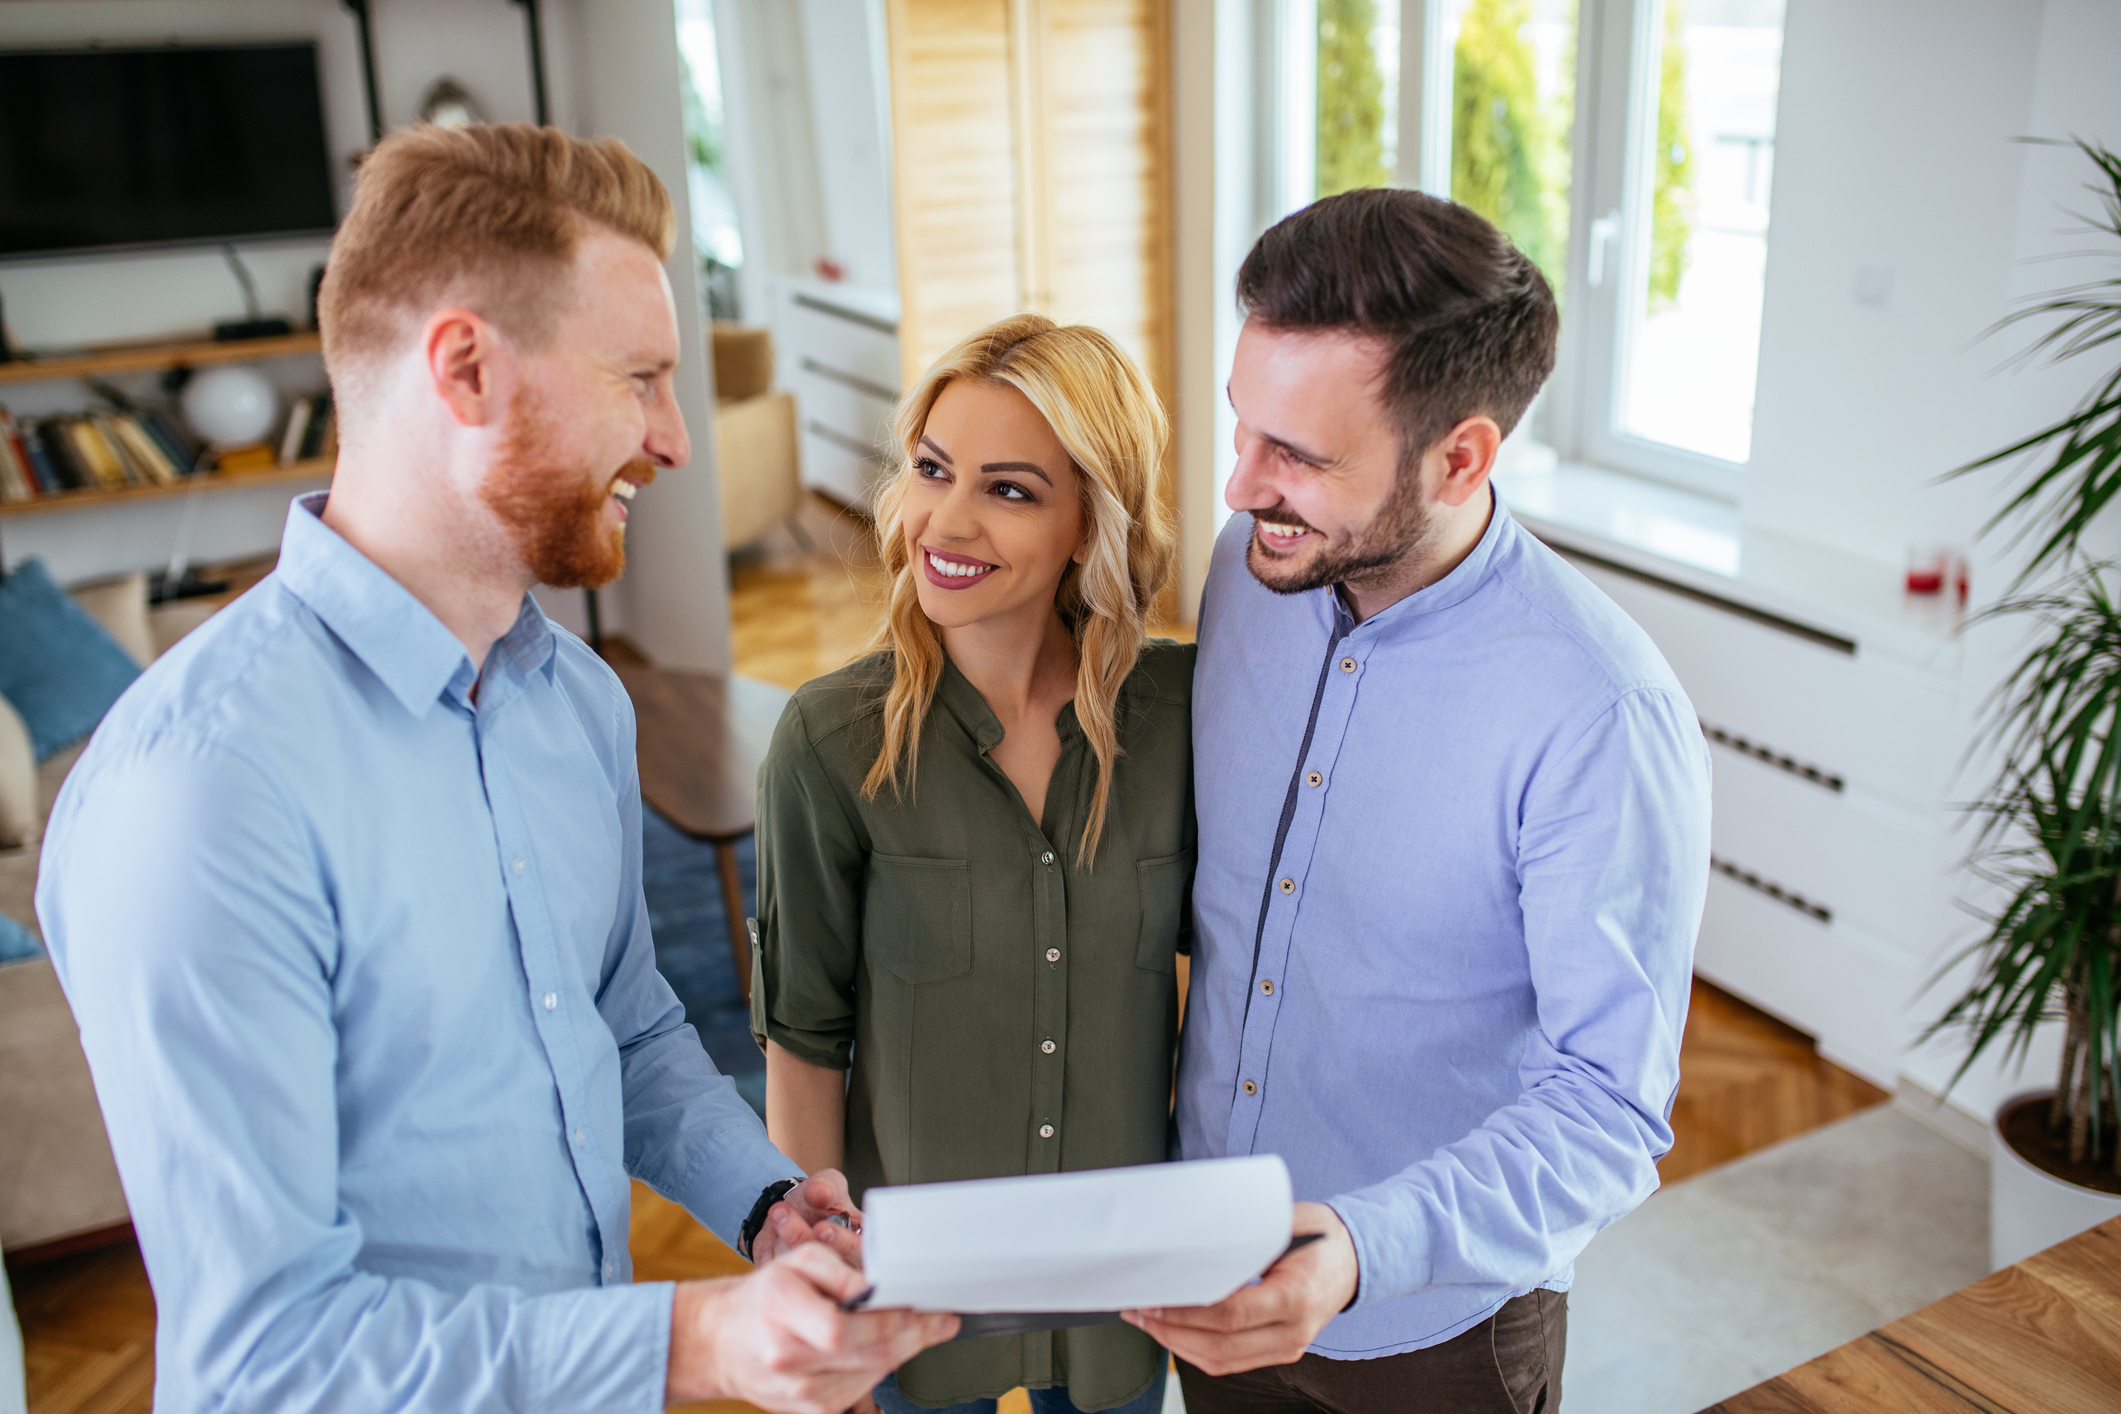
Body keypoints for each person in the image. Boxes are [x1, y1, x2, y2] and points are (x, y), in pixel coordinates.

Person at [35, 123, 955, 1413]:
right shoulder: (198, 794)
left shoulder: (574, 699)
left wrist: (761, 1201)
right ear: (464, 367)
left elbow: (626, 1024)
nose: (677, 439)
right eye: (639, 377)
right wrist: (694, 1341)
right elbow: (267, 1355)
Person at [1124, 189, 1712, 1412]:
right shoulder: (1257, 566)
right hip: (1213, 1263)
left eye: (1296, 455)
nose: (1238, 488)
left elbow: (1609, 1106)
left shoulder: (1600, 711)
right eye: (1243, 428)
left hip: (1436, 1333)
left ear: (1462, 455)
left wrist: (1358, 1249)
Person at [752, 313, 1191, 1414]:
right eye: (932, 470)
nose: (942, 520)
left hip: (1120, 1287)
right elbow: (803, 1040)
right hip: (910, 1289)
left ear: (1090, 522)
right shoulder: (827, 740)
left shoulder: (1188, 717)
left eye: (1009, 489)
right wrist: (819, 1288)